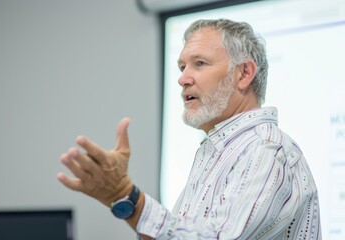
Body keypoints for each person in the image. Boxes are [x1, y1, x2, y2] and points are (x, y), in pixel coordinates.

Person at [57, 19, 322, 239]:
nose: (182, 78)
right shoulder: (216, 152)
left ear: (243, 74)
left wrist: (125, 194)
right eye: (182, 66)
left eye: (200, 63)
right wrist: (117, 198)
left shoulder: (264, 150)